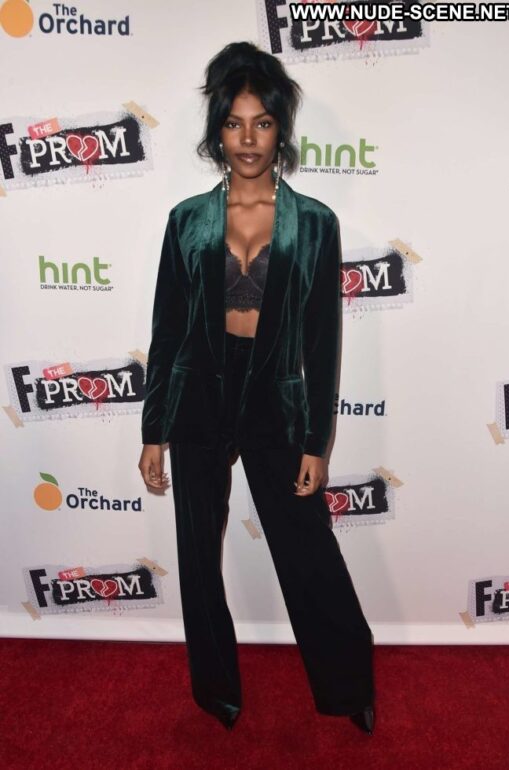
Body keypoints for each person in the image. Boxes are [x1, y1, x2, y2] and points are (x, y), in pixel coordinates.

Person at [138, 41, 375, 734]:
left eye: (262, 123)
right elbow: (167, 329)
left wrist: (316, 442)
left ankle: (348, 685)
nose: (248, 139)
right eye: (235, 123)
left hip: (275, 394)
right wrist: (154, 430)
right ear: (218, 131)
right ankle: (217, 692)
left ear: (280, 131)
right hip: (198, 395)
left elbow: (322, 341)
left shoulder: (315, 223)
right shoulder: (187, 220)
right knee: (196, 552)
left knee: (306, 546)